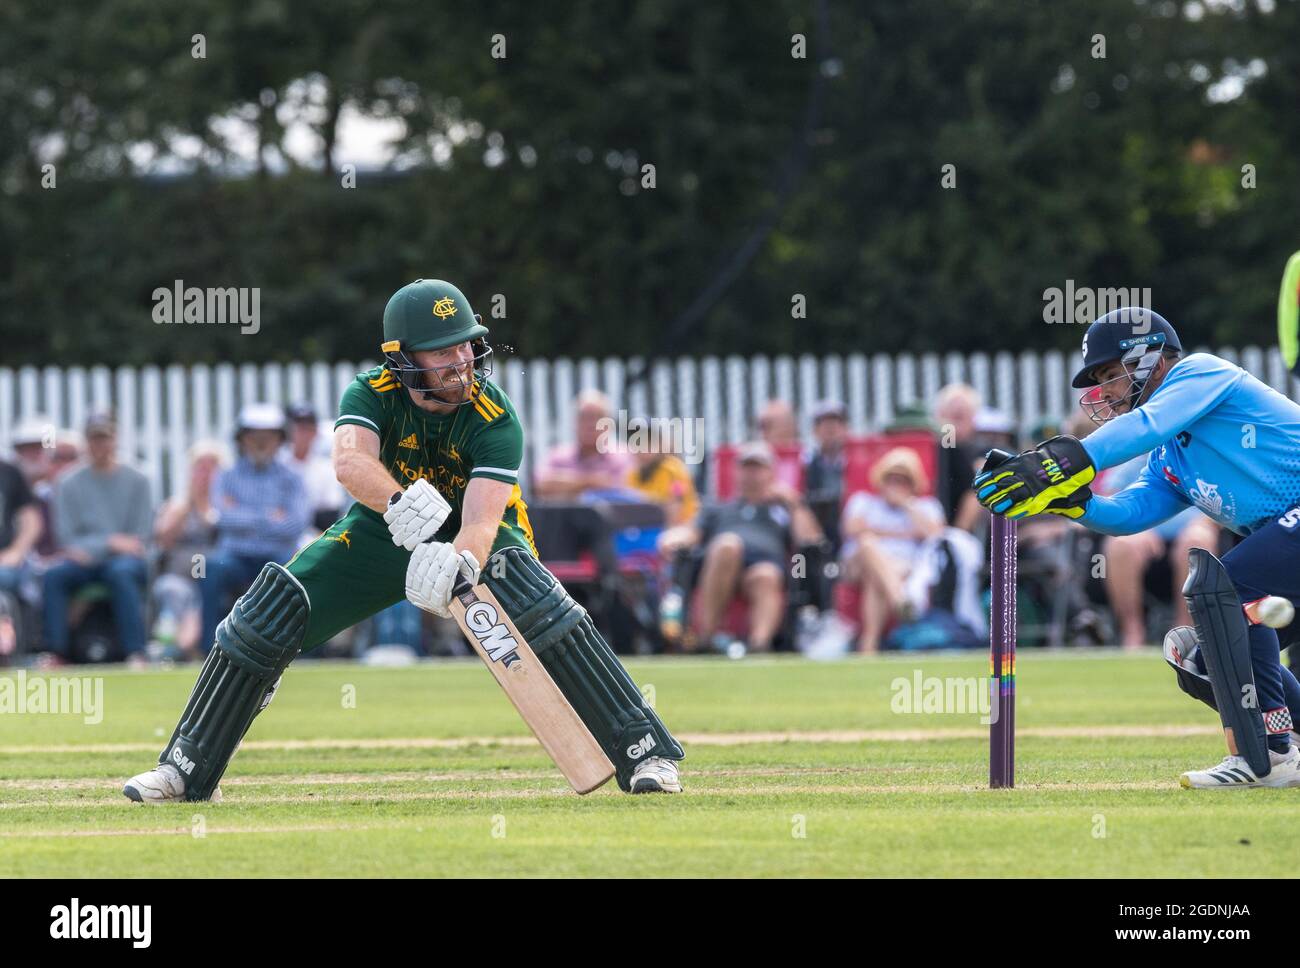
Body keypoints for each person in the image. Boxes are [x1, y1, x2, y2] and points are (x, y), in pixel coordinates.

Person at [122, 278, 682, 803]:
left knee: (540, 605)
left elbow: (484, 520)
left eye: (466, 346)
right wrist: (398, 504)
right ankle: (187, 768)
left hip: (479, 529)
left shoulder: (495, 415)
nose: (462, 362)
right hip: (383, 528)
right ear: (403, 358)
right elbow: (348, 462)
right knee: (267, 614)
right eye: (443, 352)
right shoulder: (370, 391)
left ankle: (646, 753)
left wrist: (459, 564)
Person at [975, 306, 1300, 789]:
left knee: (1223, 592)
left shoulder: (1201, 373)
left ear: (1147, 358)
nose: (1103, 392)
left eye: (1110, 375)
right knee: (1204, 657)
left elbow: (1146, 424)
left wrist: (1064, 459)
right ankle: (1280, 746)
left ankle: (1272, 755)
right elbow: (1130, 514)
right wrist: (1071, 501)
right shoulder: (1172, 456)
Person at [659, 441, 809, 655]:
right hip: (720, 563)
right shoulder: (717, 509)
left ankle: (759, 646)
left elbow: (810, 540)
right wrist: (673, 538)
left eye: (758, 468)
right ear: (736, 472)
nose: (751, 474)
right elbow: (691, 533)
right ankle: (705, 640)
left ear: (771, 473)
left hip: (764, 566)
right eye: (746, 467)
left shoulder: (783, 510)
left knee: (766, 575)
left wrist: (794, 503)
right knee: (728, 546)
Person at [42, 412, 152, 665]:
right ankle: (56, 653)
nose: (100, 445)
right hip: (85, 560)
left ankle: (135, 652)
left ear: (115, 439)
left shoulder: (139, 480)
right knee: (54, 575)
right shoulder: (67, 482)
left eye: (105, 438)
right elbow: (67, 538)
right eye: (94, 439)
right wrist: (110, 542)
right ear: (86, 442)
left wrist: (95, 545)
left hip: (120, 561)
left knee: (121, 573)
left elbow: (140, 537)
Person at [198, 404, 309, 652]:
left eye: (268, 437)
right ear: (242, 439)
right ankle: (208, 648)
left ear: (280, 440)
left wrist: (242, 515)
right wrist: (269, 516)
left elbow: (295, 525)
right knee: (207, 569)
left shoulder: (294, 476)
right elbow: (222, 519)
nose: (260, 442)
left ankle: (299, 650)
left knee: (301, 574)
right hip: (236, 556)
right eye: (253, 436)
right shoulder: (226, 475)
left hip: (278, 557)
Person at [840, 448, 947, 653]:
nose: (895, 485)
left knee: (876, 578)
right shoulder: (863, 501)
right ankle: (901, 603)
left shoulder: (926, 506)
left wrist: (906, 505)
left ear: (912, 483)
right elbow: (853, 529)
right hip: (857, 564)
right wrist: (905, 534)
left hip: (905, 567)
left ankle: (868, 646)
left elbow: (936, 535)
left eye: (902, 480)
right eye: (891, 479)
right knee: (867, 543)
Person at [152, 440, 226, 658]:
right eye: (200, 467)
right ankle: (180, 644)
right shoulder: (178, 505)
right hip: (180, 575)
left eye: (211, 467)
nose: (205, 473)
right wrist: (186, 507)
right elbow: (162, 540)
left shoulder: (225, 505)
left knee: (204, 589)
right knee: (175, 590)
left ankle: (187, 644)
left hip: (211, 576)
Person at [533, 390, 631, 501]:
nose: (590, 424)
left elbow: (626, 490)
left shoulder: (623, 456)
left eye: (597, 418)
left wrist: (567, 486)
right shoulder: (558, 456)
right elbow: (540, 485)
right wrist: (590, 481)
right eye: (584, 417)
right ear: (574, 422)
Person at [283, 402, 346, 539]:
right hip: (277, 535)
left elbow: (330, 515)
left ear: (316, 432)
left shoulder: (326, 468)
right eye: (299, 428)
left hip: (313, 535)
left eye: (308, 428)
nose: (303, 433)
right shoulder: (277, 464)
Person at [0, 454, 42, 657]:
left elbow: (31, 521)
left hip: (4, 560)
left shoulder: (9, 471)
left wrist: (16, 552)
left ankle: (9, 646)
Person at [803, 400, 849, 551]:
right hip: (815, 518)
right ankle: (800, 572)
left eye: (836, 423)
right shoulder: (805, 462)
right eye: (825, 424)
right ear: (815, 430)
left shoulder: (856, 460)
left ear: (845, 428)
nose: (831, 429)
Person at [626, 449, 699, 527]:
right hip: (647, 526)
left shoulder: (673, 469)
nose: (644, 452)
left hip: (680, 525)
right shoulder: (633, 474)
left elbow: (677, 504)